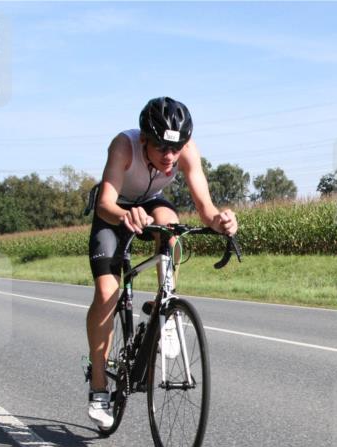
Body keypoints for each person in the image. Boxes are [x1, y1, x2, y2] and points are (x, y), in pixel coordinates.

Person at [85, 96, 238, 429]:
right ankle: (98, 388)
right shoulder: (124, 146)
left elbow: (206, 209)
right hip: (115, 212)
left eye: (176, 148)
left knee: (171, 227)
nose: (170, 157)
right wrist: (126, 214)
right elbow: (105, 203)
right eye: (160, 149)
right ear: (144, 139)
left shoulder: (186, 151)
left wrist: (221, 221)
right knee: (107, 293)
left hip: (151, 203)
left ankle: (164, 305)